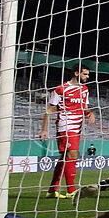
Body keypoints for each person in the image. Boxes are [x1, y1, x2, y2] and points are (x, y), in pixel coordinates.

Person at [40, 63, 96, 199]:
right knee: (72, 155)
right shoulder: (61, 89)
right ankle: (71, 190)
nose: (87, 77)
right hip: (65, 126)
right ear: (76, 73)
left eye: (88, 74)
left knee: (64, 158)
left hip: (77, 127)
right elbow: (49, 110)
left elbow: (84, 107)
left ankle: (52, 190)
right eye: (85, 74)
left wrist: (89, 114)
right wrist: (44, 129)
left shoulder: (84, 89)